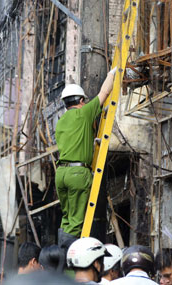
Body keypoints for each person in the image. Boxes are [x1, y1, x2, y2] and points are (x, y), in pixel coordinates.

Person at [55, 67, 117, 243]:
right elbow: (104, 92)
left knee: (67, 217)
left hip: (61, 174)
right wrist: (113, 72)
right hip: (77, 174)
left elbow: (75, 141)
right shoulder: (83, 113)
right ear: (81, 100)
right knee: (76, 222)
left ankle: (60, 253)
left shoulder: (61, 122)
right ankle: (69, 262)